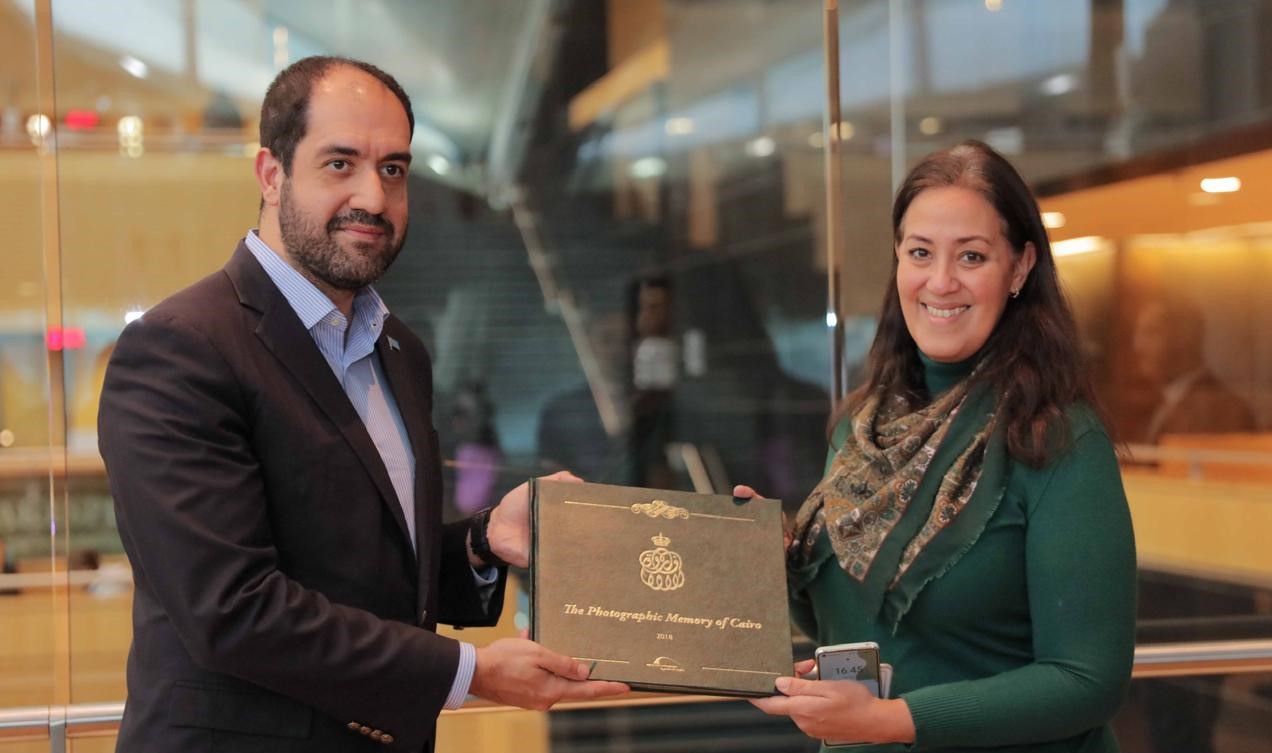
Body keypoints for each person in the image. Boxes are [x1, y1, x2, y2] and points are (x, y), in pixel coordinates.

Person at [96, 56, 625, 753]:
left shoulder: (397, 348)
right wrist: (470, 672)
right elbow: (231, 609)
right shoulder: (181, 349)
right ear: (271, 174)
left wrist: (482, 539)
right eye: (340, 163)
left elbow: (365, 570)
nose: (373, 198)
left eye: (393, 169)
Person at [744, 140, 1137, 751]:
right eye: (920, 252)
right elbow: (851, 626)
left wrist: (893, 720)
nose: (941, 281)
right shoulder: (864, 428)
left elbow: (1088, 681)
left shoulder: (1057, 438)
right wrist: (773, 563)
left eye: (972, 256)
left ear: (1020, 268)